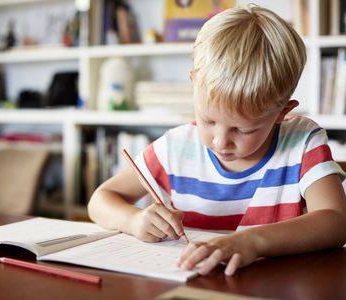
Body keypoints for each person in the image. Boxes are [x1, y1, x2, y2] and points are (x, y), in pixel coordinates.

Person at [88, 5, 346, 276]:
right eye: (208, 120)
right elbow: (100, 200)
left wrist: (252, 242)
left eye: (243, 130)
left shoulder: (303, 142)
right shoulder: (176, 148)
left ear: (282, 112)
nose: (221, 141)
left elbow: (336, 222)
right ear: (193, 84)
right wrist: (134, 219)